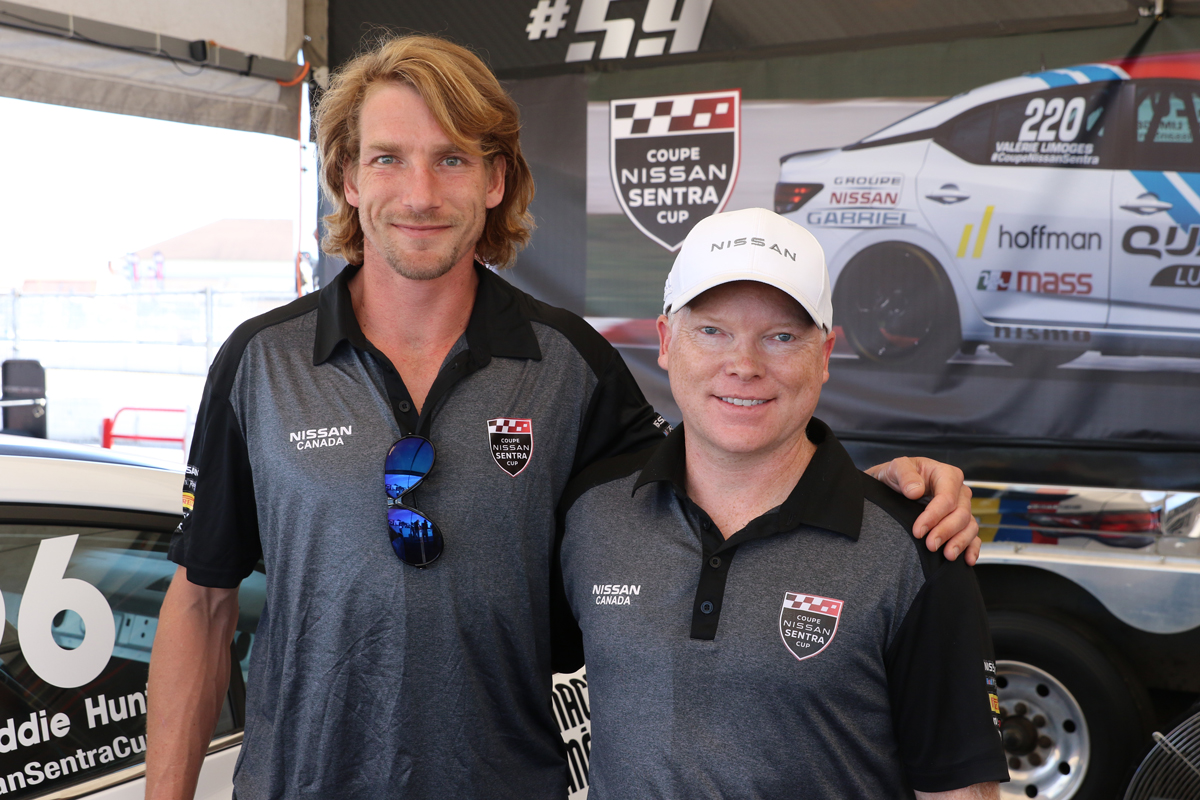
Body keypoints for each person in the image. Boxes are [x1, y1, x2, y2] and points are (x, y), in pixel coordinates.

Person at [145, 35, 983, 800]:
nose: (420, 194)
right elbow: (201, 602)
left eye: (452, 159)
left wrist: (879, 491)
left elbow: (714, 472)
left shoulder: (570, 365)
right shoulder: (262, 362)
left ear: (495, 180)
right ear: (348, 177)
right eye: (389, 158)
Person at [558, 208, 1010, 799]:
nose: (744, 366)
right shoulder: (591, 513)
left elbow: (959, 791)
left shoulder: (917, 546)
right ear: (666, 341)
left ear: (824, 355)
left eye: (781, 337)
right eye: (712, 331)